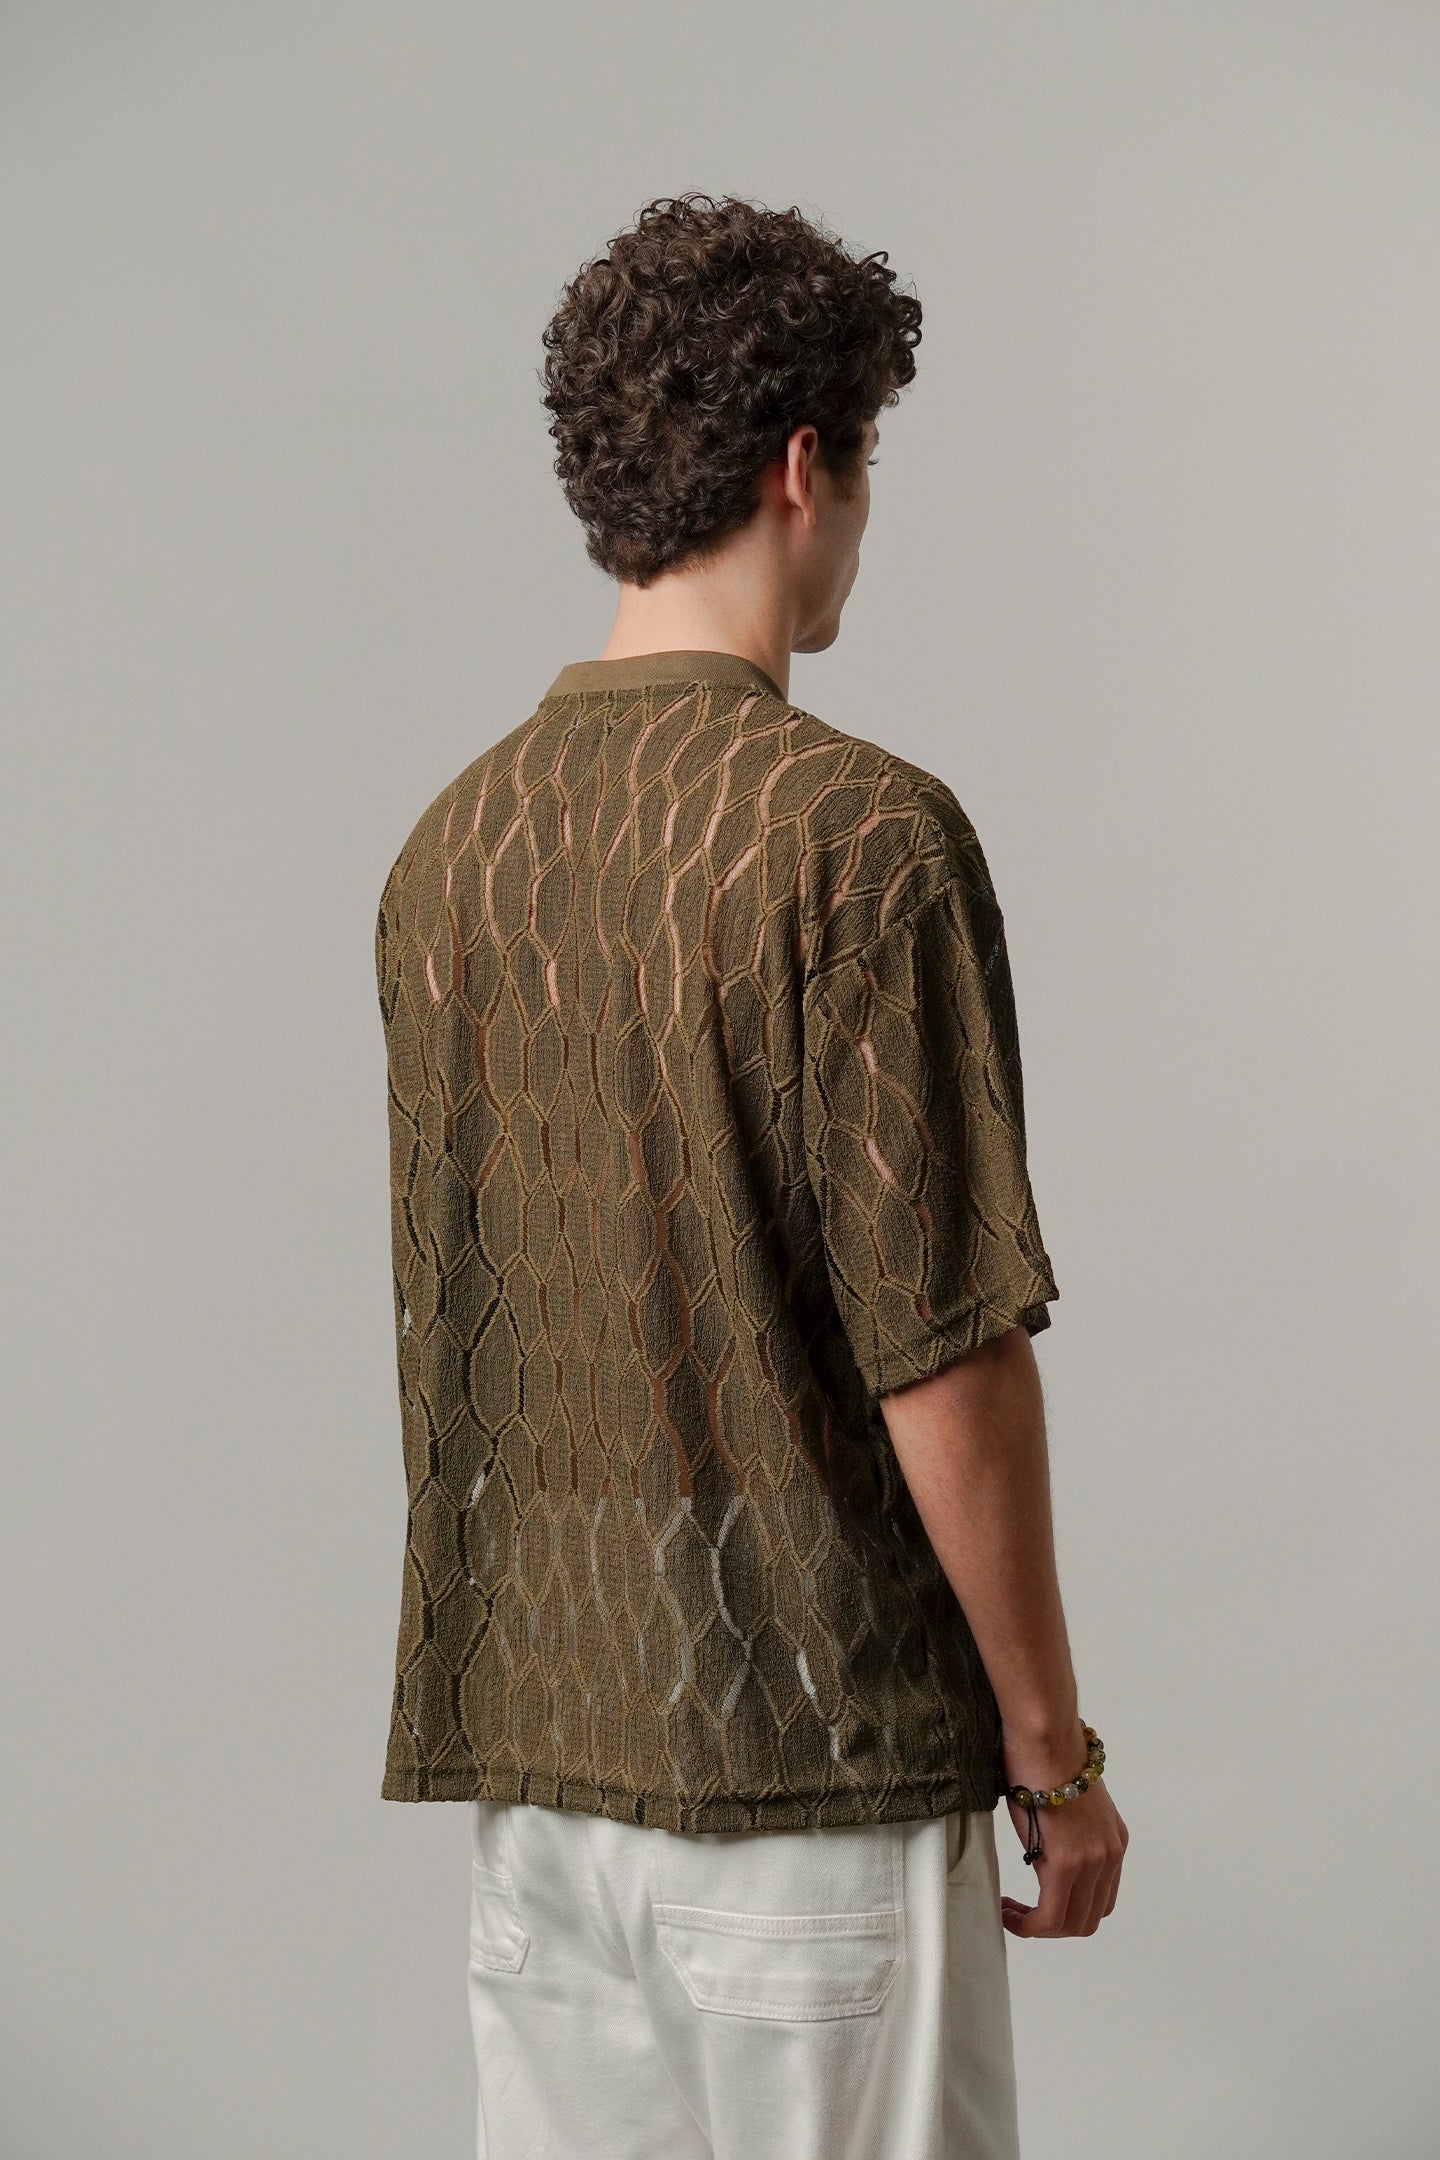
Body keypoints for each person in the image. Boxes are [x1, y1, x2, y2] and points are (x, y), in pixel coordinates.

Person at [372, 191, 1127, 2160]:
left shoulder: (451, 854)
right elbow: (942, 1345)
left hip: (546, 1794)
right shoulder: (858, 839)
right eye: (866, 469)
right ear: (807, 465)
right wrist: (1052, 1757)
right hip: (821, 1781)